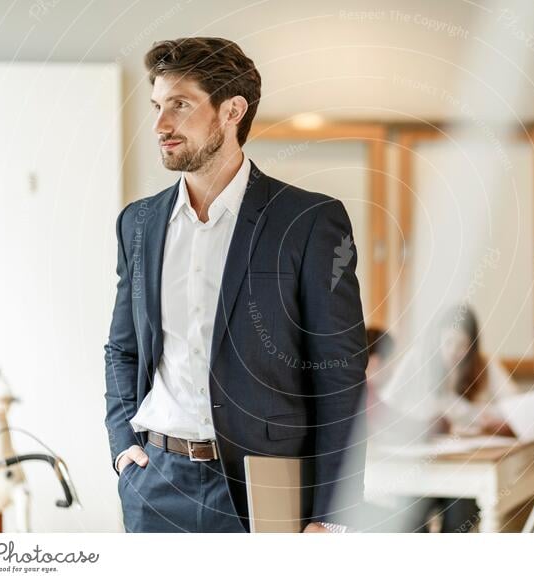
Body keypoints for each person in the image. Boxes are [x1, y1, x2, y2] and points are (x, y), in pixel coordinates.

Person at [104, 37, 368, 533]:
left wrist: (331, 517)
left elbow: (341, 375)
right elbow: (122, 350)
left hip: (265, 488)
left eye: (180, 105)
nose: (161, 124)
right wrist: (123, 449)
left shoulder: (309, 221)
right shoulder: (137, 224)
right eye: (158, 106)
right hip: (155, 484)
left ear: (232, 111)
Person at [377, 306, 519, 532]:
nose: (454, 352)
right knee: (410, 519)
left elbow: (516, 405)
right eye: (448, 343)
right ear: (436, 340)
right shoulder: (417, 361)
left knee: (458, 517)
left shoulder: (483, 365)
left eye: (462, 346)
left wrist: (490, 418)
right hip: (423, 464)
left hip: (466, 465)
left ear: (472, 346)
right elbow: (385, 405)